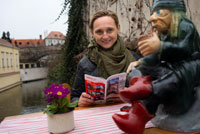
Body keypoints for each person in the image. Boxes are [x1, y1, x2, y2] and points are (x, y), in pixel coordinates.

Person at [112, 0, 200, 133]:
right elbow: (157, 57)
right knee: (137, 70)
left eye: (158, 12)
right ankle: (140, 88)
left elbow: (185, 50)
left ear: (174, 12)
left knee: (171, 80)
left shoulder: (186, 26)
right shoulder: (163, 32)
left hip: (190, 68)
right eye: (153, 13)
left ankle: (143, 101)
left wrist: (160, 46)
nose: (152, 18)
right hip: (171, 67)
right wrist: (141, 62)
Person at [71, 10, 136, 107]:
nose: (105, 36)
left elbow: (150, 93)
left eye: (110, 30)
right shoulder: (84, 63)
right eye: (99, 32)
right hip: (98, 119)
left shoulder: (135, 59)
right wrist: (79, 102)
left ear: (118, 28)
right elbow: (74, 97)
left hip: (127, 116)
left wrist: (130, 96)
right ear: (92, 32)